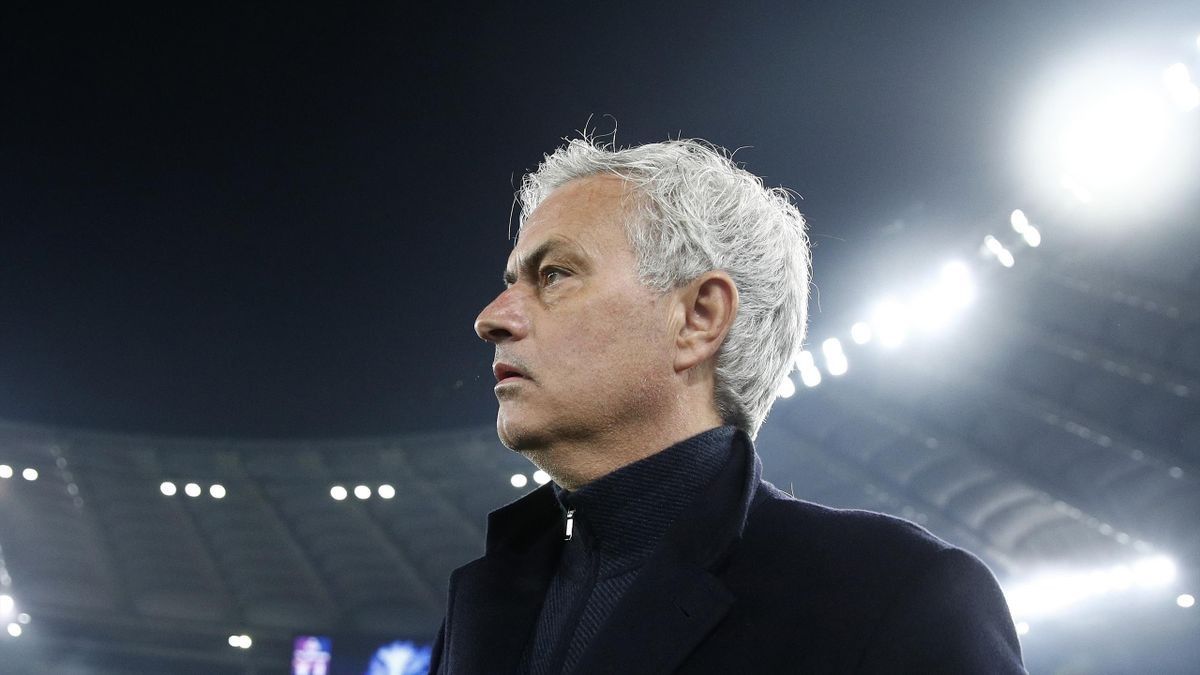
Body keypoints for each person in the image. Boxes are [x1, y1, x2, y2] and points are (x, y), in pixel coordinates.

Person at [429, 137, 1025, 674]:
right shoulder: (480, 608)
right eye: (511, 282)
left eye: (554, 274)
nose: (491, 319)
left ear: (698, 318)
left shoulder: (893, 593)